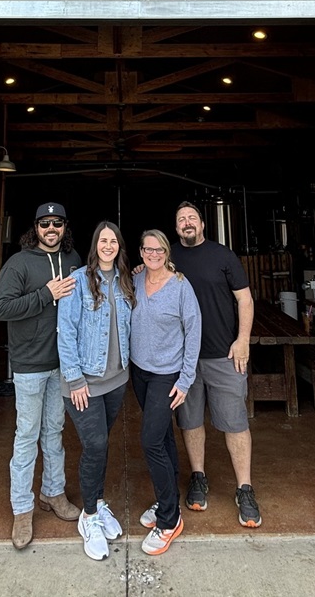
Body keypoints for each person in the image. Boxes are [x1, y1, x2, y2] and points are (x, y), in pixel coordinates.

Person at [0, 202, 83, 549]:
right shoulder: (19, 263)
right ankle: (22, 509)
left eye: (57, 223)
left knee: (54, 432)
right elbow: (2, 308)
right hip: (30, 364)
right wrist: (46, 294)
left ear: (65, 227)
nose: (51, 229)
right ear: (36, 228)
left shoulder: (73, 260)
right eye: (45, 223)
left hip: (62, 363)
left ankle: (53, 493)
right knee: (27, 436)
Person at [170, 200, 261, 528]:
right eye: (181, 219)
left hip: (224, 355)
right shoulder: (169, 257)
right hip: (185, 359)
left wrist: (242, 339)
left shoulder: (223, 256)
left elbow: (244, 298)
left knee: (235, 422)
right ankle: (198, 476)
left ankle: (244, 488)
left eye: (192, 217)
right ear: (176, 227)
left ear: (202, 224)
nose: (187, 222)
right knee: (190, 420)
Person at [56, 221, 134, 561]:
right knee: (96, 444)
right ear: (95, 245)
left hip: (116, 380)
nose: (108, 245)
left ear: (119, 246)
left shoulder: (126, 280)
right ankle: (88, 517)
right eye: (103, 240)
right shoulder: (78, 281)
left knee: (101, 446)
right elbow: (65, 332)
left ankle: (98, 502)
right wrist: (75, 380)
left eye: (113, 240)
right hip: (84, 383)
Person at [130, 229, 201, 556]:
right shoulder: (136, 279)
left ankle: (169, 520)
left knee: (150, 441)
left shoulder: (181, 286)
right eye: (148, 249)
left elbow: (193, 332)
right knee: (163, 437)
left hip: (166, 375)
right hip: (140, 372)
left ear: (166, 252)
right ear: (141, 252)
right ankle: (166, 499)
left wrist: (185, 380)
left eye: (159, 249)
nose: (153, 254)